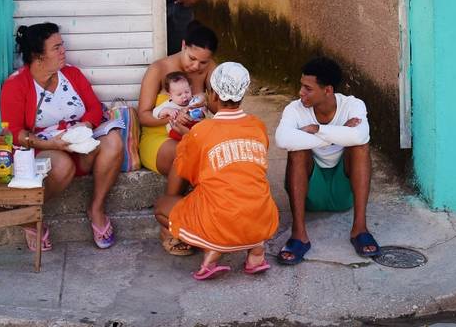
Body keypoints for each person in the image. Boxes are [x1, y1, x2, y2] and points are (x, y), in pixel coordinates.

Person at [0, 22, 124, 250]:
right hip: (46, 148)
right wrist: (50, 142)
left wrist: (84, 128)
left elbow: (94, 107)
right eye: (56, 48)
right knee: (63, 164)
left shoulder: (71, 74)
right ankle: (28, 212)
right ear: (38, 56)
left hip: (81, 144)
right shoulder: (16, 85)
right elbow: (13, 132)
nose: (63, 51)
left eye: (62, 45)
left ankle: (96, 208)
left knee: (114, 141)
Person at [153, 62, 279, 280]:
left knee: (162, 206)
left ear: (213, 95)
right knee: (240, 198)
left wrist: (188, 138)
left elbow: (188, 173)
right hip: (264, 220)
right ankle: (256, 250)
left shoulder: (202, 131)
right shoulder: (258, 126)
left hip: (221, 223)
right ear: (243, 94)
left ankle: (215, 246)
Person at [274, 57, 381, 265]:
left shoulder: (352, 105)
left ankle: (360, 229)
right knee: (297, 151)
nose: (300, 93)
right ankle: (299, 235)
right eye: (301, 86)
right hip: (309, 192)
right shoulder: (294, 109)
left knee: (360, 147)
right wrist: (338, 134)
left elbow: (359, 136)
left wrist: (318, 129)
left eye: (307, 88)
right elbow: (282, 139)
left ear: (328, 90)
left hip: (343, 192)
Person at [138, 20, 218, 255]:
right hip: (158, 138)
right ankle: (169, 220)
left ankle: (199, 221)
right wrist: (172, 117)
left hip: (192, 135)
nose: (196, 66)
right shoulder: (159, 69)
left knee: (204, 151)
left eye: (203, 62)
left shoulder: (208, 67)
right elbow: (143, 116)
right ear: (183, 45)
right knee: (184, 151)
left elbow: (220, 106)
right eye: (192, 58)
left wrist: (206, 97)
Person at [153, 71, 207, 142]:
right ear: (170, 95)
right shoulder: (169, 104)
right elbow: (155, 112)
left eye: (187, 92)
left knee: (204, 128)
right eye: (179, 94)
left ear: (190, 88)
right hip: (177, 131)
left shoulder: (194, 101)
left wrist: (201, 113)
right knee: (173, 135)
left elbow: (205, 109)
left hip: (195, 129)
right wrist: (168, 110)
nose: (184, 96)